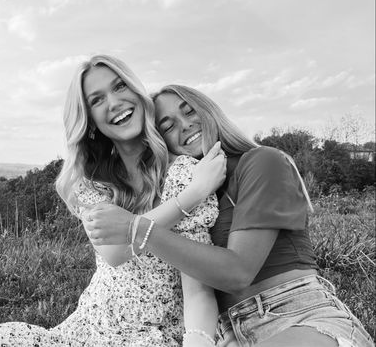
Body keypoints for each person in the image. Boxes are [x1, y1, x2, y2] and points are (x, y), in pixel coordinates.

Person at [0, 57, 227, 347]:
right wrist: (190, 198)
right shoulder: (94, 182)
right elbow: (115, 251)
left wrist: (198, 341)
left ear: (137, 92)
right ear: (89, 120)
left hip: (148, 337)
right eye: (97, 99)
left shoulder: (183, 174)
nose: (115, 102)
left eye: (119, 86)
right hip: (82, 332)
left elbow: (198, 289)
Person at [83, 84, 374, 347]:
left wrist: (138, 229)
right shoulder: (183, 196)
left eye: (190, 111)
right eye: (168, 126)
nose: (185, 126)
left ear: (209, 111)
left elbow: (238, 272)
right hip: (228, 332)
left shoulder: (261, 161)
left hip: (297, 314)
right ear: (161, 142)